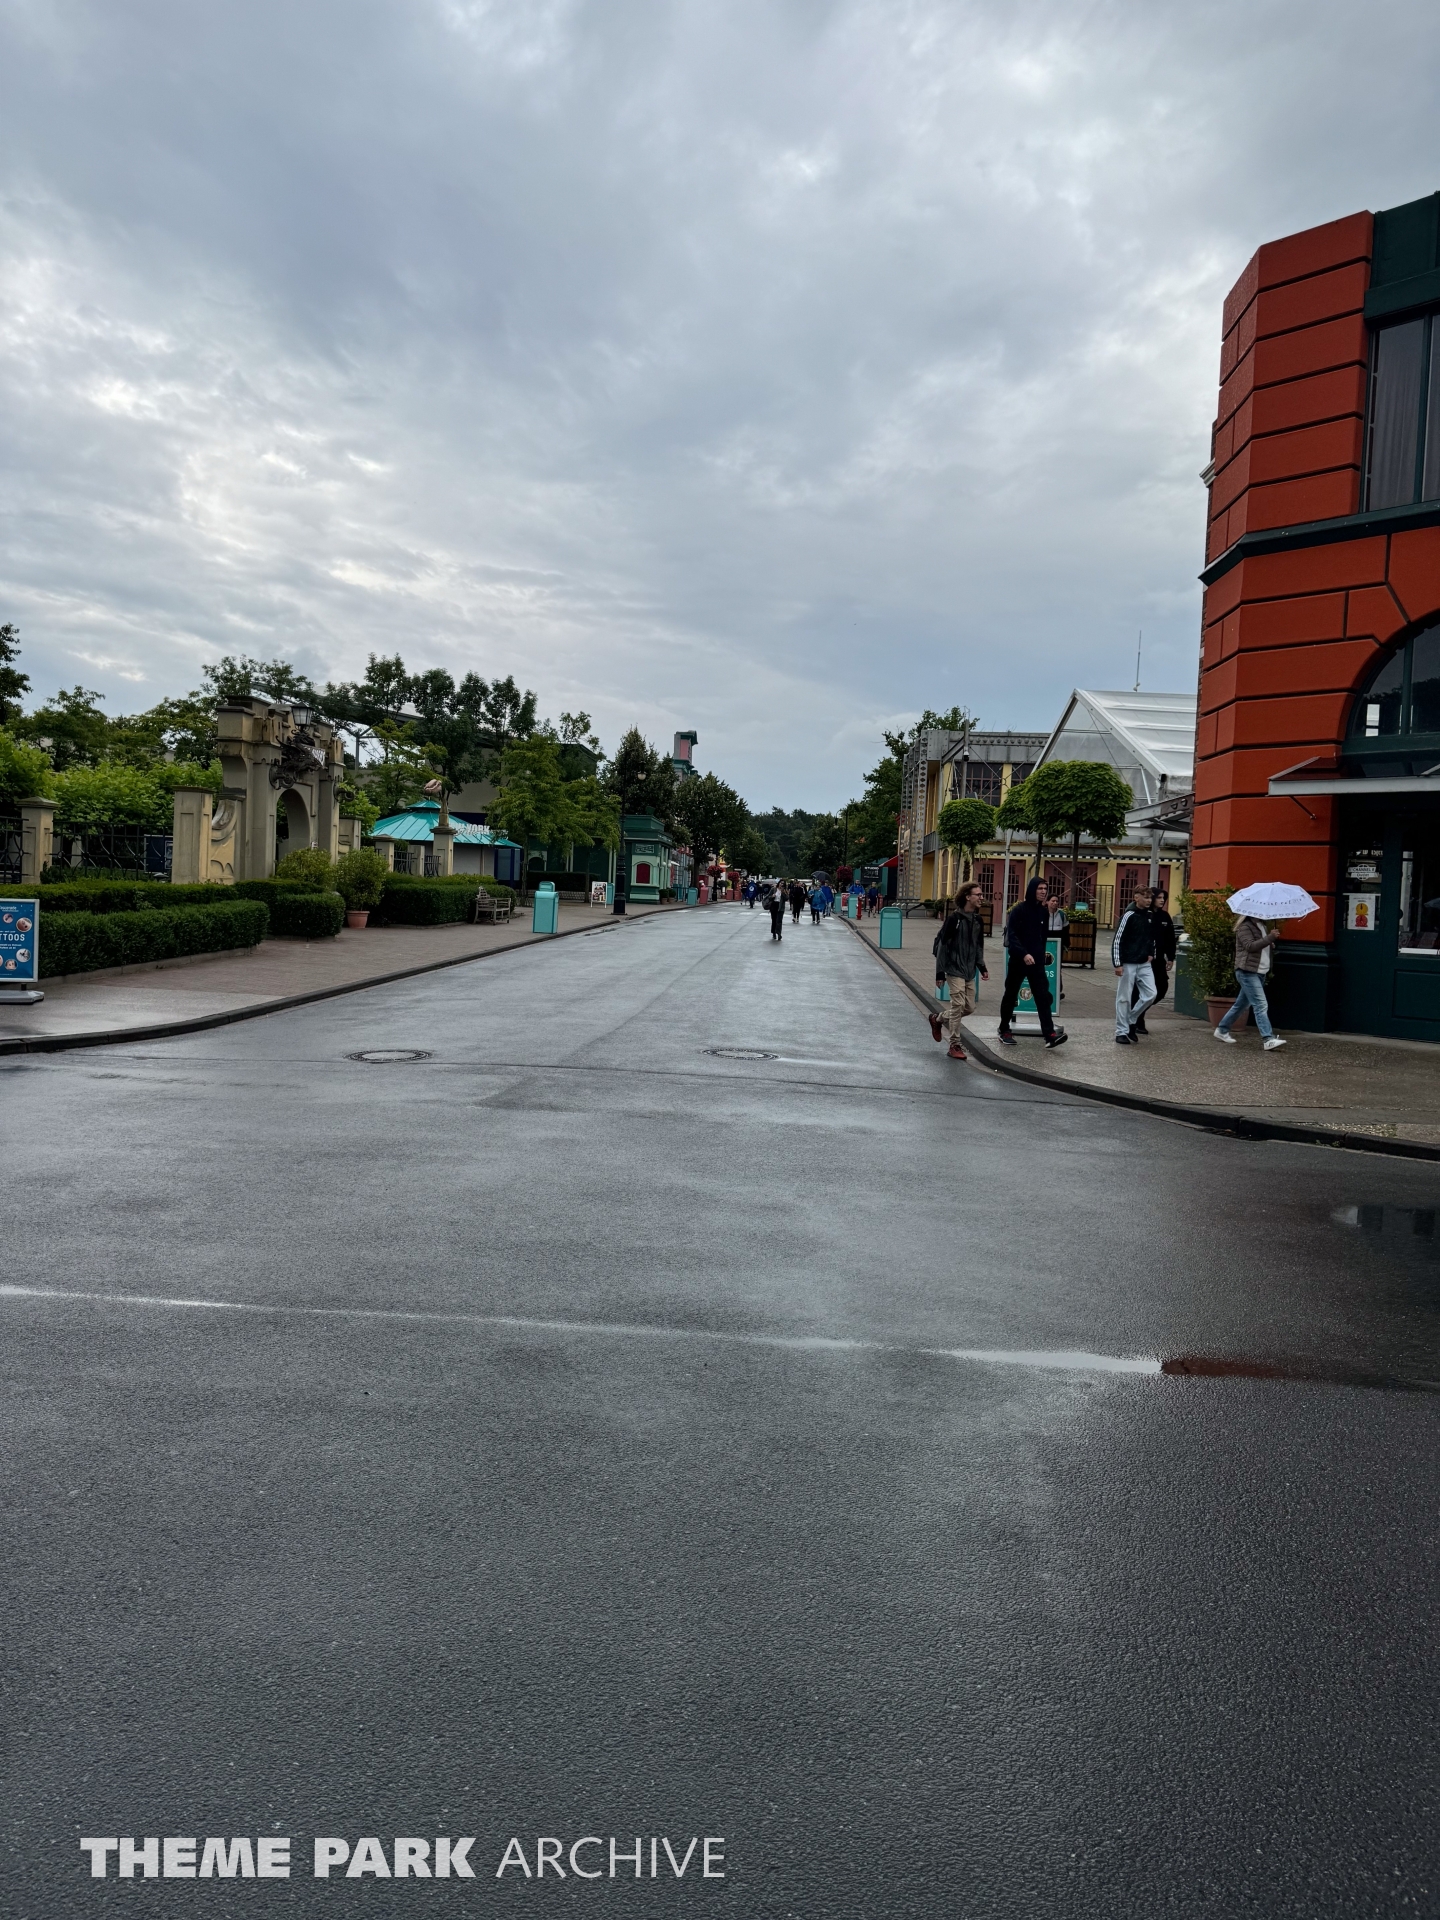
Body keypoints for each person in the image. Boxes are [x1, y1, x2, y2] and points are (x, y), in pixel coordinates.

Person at [997, 877, 1067, 1048]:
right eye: (1040, 888)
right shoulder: (1019, 910)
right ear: (1032, 890)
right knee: (1011, 995)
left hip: (1036, 963)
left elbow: (1042, 938)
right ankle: (1004, 1029)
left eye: (1045, 889)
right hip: (1018, 961)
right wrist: (1024, 954)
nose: (1043, 892)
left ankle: (1050, 1035)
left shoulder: (1043, 912)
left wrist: (1041, 957)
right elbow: (1012, 935)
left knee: (1042, 997)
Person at [930, 881, 989, 1061]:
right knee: (958, 1006)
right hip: (953, 968)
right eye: (978, 895)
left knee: (969, 1007)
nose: (981, 898)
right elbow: (942, 946)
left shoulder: (978, 920)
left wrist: (982, 967)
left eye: (981, 895)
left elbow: (978, 946)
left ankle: (938, 1019)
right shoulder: (954, 919)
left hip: (969, 971)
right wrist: (940, 973)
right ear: (967, 897)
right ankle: (954, 1044)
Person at [1215, 914, 1286, 1049]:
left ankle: (1222, 1030)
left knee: (1241, 1005)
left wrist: (1269, 943)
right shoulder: (1245, 927)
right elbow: (1250, 946)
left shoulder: (1262, 925)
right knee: (1260, 1004)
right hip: (1247, 971)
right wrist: (1269, 938)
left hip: (1260, 972)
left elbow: (1259, 945)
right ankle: (1268, 1039)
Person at [1111, 886, 1157, 1044]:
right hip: (1128, 962)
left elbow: (1151, 937)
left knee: (1151, 994)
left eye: (1150, 897)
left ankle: (1131, 1020)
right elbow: (1118, 939)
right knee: (1124, 997)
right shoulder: (1128, 915)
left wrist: (1151, 952)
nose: (1149, 900)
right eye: (1145, 897)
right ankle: (1121, 1031)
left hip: (1144, 962)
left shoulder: (1149, 915)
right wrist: (1118, 963)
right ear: (1136, 898)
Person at [1133, 888, 1178, 1032]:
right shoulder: (1144, 915)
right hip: (1144, 960)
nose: (1162, 900)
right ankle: (1136, 1020)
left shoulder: (1165, 916)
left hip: (1159, 960)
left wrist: (1171, 957)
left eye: (1163, 898)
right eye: (1159, 897)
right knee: (1140, 990)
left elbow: (1170, 938)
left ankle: (1138, 1013)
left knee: (1161, 988)